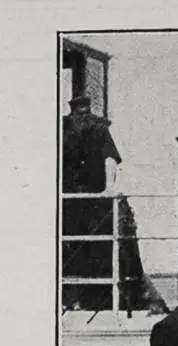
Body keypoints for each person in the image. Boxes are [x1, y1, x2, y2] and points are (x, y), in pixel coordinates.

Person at [62, 96, 122, 309]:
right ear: (72, 115)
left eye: (87, 113)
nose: (84, 117)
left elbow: (110, 158)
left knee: (99, 249)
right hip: (69, 205)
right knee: (71, 249)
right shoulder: (63, 134)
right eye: (80, 114)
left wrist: (109, 187)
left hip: (94, 203)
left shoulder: (100, 132)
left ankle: (99, 301)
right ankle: (71, 299)